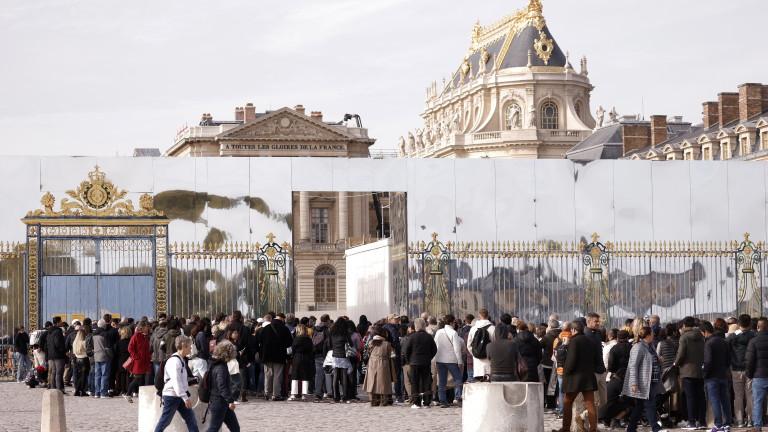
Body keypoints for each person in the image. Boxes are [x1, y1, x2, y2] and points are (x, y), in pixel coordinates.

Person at [553, 320, 598, 432]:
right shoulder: (590, 340)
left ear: (573, 330)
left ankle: (565, 428)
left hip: (574, 378)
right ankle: (593, 429)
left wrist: (566, 372)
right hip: (588, 376)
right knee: (590, 404)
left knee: (567, 402)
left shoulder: (574, 341)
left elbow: (571, 360)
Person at [622, 326, 667, 432]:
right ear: (647, 335)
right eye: (652, 333)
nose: (654, 335)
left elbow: (650, 361)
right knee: (649, 404)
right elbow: (633, 366)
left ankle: (631, 428)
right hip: (643, 382)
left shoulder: (650, 346)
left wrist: (659, 360)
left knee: (640, 406)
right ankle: (656, 428)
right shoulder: (638, 347)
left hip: (652, 381)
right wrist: (634, 383)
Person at [154, 335, 198, 432]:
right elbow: (176, 381)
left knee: (191, 420)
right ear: (183, 345)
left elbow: (181, 380)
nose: (191, 349)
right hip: (172, 396)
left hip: (179, 395)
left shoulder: (181, 360)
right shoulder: (174, 361)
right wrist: (185, 398)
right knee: (165, 421)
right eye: (189, 347)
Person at [674, 316, 706, 429]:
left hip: (687, 371)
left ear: (683, 325)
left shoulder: (684, 337)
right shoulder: (701, 336)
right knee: (701, 396)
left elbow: (681, 354)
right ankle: (702, 421)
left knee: (690, 397)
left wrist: (675, 364)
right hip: (700, 370)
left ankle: (691, 422)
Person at [702, 320, 732, 431]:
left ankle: (718, 424)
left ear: (705, 332)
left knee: (714, 400)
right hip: (723, 375)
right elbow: (729, 360)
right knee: (725, 400)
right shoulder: (724, 342)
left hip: (712, 377)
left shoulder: (709, 343)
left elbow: (708, 361)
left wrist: (705, 373)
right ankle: (727, 423)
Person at [404, 318, 437, 408]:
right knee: (426, 381)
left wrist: (409, 360)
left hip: (414, 362)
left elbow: (406, 350)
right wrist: (429, 357)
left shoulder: (412, 337)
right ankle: (426, 402)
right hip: (425, 362)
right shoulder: (429, 337)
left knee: (415, 382)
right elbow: (434, 349)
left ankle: (416, 402)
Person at [207, 341, 240, 432]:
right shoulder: (220, 367)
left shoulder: (215, 364)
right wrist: (230, 400)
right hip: (219, 402)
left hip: (222, 402)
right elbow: (221, 386)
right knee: (213, 428)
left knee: (235, 428)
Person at [259, 313, 292, 401]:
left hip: (267, 355)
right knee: (277, 375)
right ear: (282, 319)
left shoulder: (266, 328)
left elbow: (260, 341)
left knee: (268, 375)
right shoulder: (284, 329)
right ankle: (276, 394)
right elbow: (289, 343)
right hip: (279, 355)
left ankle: (267, 392)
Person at [730, 314, 756, 427]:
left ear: (739, 324)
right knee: (750, 395)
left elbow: (726, 343)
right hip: (751, 369)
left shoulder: (733, 336)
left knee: (738, 396)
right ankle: (750, 420)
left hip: (736, 369)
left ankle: (740, 420)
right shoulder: (754, 336)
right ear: (750, 323)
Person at [433, 314, 464, 407]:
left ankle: (443, 400)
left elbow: (435, 345)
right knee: (458, 378)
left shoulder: (438, 332)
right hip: (451, 359)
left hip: (439, 359)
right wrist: (460, 361)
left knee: (442, 381)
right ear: (451, 322)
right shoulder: (454, 333)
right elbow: (457, 349)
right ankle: (457, 397)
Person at [363, 326, 395, 407]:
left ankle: (373, 400)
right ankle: (384, 400)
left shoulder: (371, 343)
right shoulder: (387, 344)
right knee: (383, 382)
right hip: (383, 364)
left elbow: (367, 353)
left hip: (372, 363)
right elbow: (392, 355)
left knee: (372, 382)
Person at [746, 317, 768, 432]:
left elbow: (749, 361)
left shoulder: (753, 341)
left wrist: (749, 374)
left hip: (758, 376)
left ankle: (758, 426)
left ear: (758, 327)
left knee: (758, 402)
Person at [328, 317, 354, 403]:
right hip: (344, 356)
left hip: (335, 355)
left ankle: (336, 396)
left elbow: (329, 344)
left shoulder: (332, 332)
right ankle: (345, 396)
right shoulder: (345, 333)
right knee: (344, 377)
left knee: (335, 377)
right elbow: (351, 344)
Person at [125, 321, 151, 403]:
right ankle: (128, 393)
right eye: (147, 326)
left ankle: (141, 395)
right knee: (137, 378)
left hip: (145, 361)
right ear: (142, 327)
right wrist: (136, 357)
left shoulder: (146, 336)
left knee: (141, 378)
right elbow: (130, 348)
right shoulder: (136, 336)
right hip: (138, 361)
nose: (148, 328)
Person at [466, 309, 495, 381]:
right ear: (488, 315)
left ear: (479, 316)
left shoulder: (473, 328)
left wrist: (475, 354)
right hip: (489, 363)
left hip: (477, 365)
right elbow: (495, 344)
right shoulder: (493, 328)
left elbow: (469, 345)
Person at [288, 324, 314, 401]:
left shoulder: (296, 339)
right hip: (306, 358)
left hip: (297, 358)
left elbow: (293, 349)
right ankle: (304, 395)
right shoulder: (309, 339)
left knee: (295, 376)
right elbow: (311, 350)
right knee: (305, 376)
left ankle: (293, 394)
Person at [312, 314, 332, 401]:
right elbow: (329, 343)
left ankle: (317, 393)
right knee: (327, 374)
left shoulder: (315, 329)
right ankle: (328, 392)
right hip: (325, 355)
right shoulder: (327, 330)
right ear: (327, 320)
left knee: (318, 375)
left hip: (316, 354)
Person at [92, 319, 113, 398]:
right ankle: (103, 393)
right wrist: (111, 355)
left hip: (96, 356)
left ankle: (97, 393)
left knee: (97, 375)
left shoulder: (93, 334)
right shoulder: (105, 334)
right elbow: (108, 347)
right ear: (104, 325)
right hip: (104, 356)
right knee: (104, 375)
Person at [46, 316, 67, 392]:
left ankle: (52, 387)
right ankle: (59, 389)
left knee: (53, 372)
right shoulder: (58, 331)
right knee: (59, 372)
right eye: (61, 321)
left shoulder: (49, 332)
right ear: (58, 322)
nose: (62, 322)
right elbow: (58, 343)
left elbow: (47, 344)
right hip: (58, 355)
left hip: (51, 355)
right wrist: (63, 351)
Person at [71, 325, 90, 397]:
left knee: (78, 376)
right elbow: (87, 351)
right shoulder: (83, 342)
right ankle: (82, 390)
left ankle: (77, 390)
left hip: (77, 359)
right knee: (84, 376)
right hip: (84, 359)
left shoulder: (74, 342)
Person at [115, 325, 132, 396]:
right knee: (129, 375)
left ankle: (122, 390)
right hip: (129, 360)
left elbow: (116, 352)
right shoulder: (131, 341)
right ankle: (129, 390)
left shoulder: (119, 342)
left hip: (121, 360)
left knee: (122, 375)